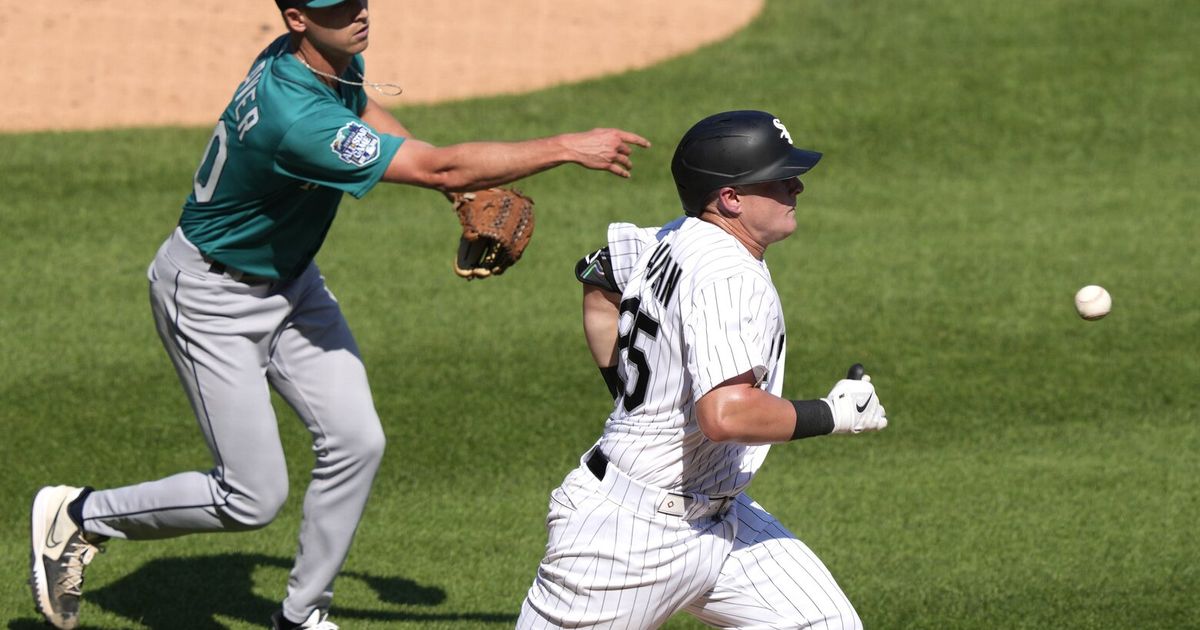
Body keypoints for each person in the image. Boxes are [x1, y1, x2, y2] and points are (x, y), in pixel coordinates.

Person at [27, 1, 649, 629]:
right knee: (251, 496)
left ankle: (302, 615)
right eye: (335, 8)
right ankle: (79, 515)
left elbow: (360, 105)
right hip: (211, 297)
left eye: (357, 0)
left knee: (356, 441)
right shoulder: (293, 118)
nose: (357, 15)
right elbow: (437, 164)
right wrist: (566, 146)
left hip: (291, 283)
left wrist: (457, 192)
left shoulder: (315, 57)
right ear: (297, 17)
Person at [517, 110, 889, 629]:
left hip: (720, 518)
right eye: (780, 178)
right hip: (624, 542)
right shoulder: (728, 275)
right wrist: (834, 414)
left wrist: (636, 400)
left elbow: (599, 275)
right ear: (731, 198)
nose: (797, 186)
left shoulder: (677, 236)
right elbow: (725, 414)